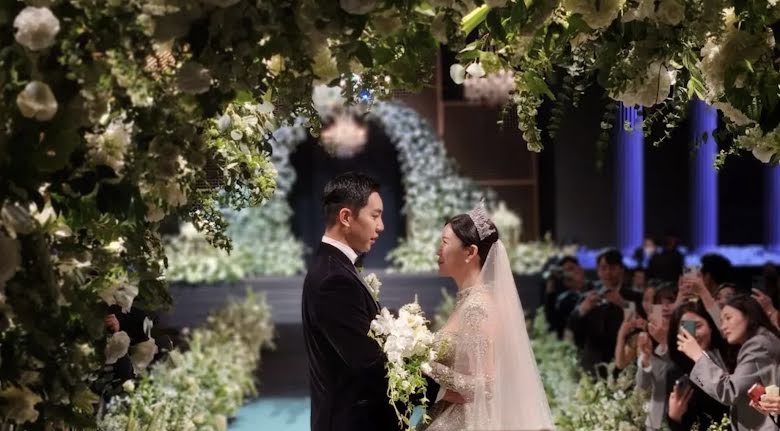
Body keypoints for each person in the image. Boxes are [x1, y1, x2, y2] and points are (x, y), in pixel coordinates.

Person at [421, 205, 554, 430]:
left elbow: (487, 385)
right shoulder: (468, 302)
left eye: (444, 242)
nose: (438, 251)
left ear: (470, 252)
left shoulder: (477, 308)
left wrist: (427, 367)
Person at [301, 173, 400, 431]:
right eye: (375, 216)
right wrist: (438, 387)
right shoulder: (333, 279)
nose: (381, 226)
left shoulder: (335, 267)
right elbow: (368, 365)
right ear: (346, 217)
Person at [678, 295, 780, 430]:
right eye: (721, 321)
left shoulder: (758, 344)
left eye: (728, 318)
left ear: (748, 316)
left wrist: (697, 355)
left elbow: (730, 391)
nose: (723, 327)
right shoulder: (759, 342)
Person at [665, 301, 729, 431]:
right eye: (687, 329)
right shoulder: (675, 372)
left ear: (710, 326)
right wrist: (675, 417)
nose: (694, 335)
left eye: (698, 326)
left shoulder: (729, 355)